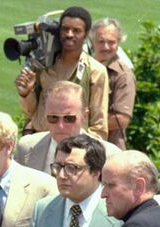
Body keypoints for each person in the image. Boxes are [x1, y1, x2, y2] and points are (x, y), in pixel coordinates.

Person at [16, 6, 109, 139]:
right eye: (65, 29)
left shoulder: (95, 71)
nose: (69, 34)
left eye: (76, 31)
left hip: (74, 145)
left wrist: (86, 152)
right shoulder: (43, 64)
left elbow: (99, 125)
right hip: (40, 140)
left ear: (86, 34)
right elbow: (31, 112)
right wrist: (25, 93)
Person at [17, 81, 119, 174]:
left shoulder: (109, 156)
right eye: (53, 118)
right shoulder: (26, 147)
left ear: (84, 116)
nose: (60, 126)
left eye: (69, 118)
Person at [91, 18, 136, 149]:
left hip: (109, 149)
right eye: (101, 41)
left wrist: (84, 122)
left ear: (118, 43)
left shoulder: (123, 76)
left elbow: (121, 119)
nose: (106, 47)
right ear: (92, 42)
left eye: (111, 42)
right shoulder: (86, 67)